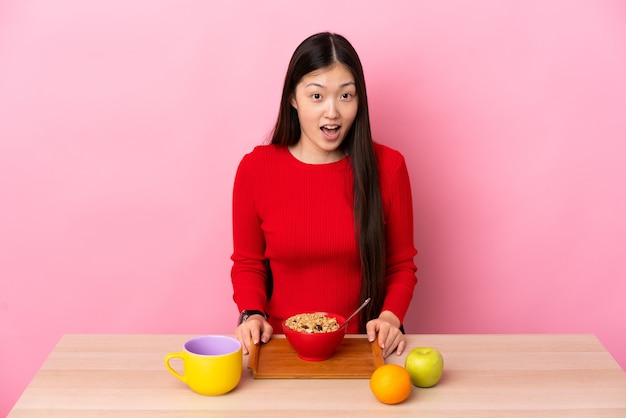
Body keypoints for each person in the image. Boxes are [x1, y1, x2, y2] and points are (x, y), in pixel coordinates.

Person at [231, 32, 417, 358]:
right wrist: (251, 313)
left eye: (346, 96)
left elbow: (401, 266)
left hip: (364, 348)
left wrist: (390, 318)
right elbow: (248, 263)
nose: (332, 112)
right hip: (278, 347)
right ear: (293, 97)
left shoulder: (389, 167)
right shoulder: (255, 169)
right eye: (317, 96)